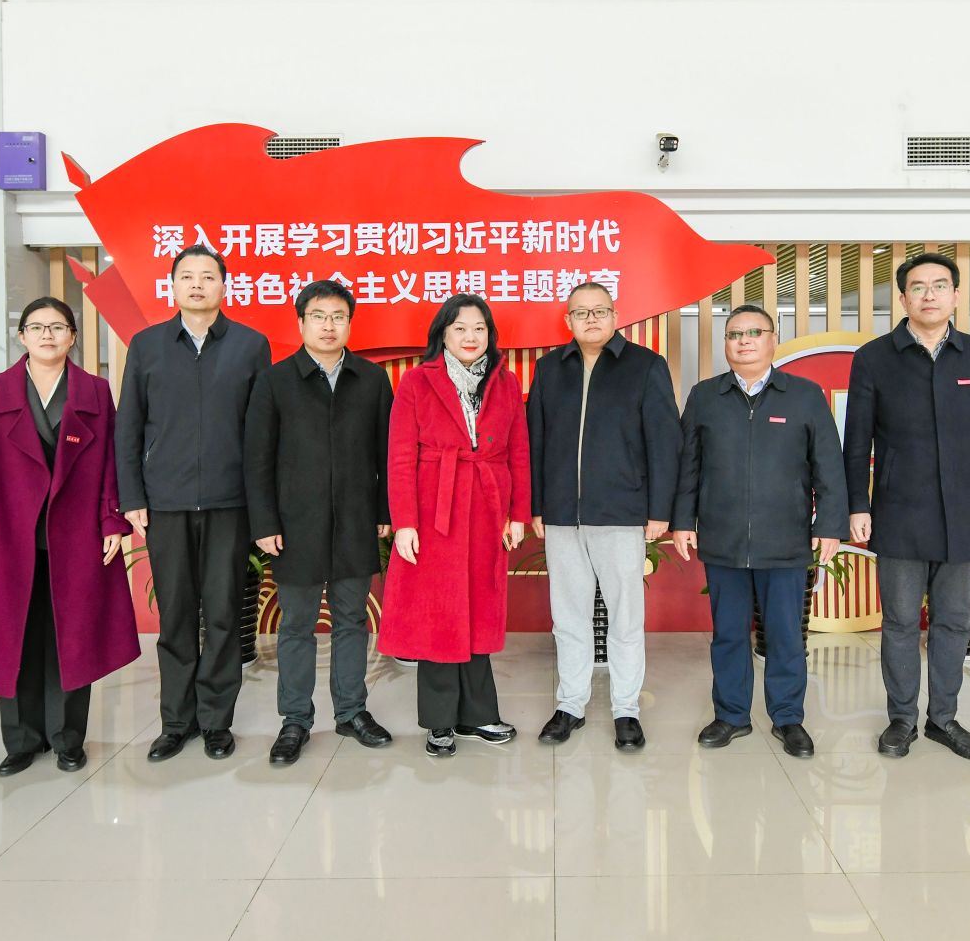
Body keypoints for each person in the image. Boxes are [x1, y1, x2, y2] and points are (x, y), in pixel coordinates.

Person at [0, 298, 141, 776]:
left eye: (58, 327)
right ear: (22, 337)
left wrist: (111, 520)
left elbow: (112, 463)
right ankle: (21, 741)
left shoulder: (95, 391)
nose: (47, 335)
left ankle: (68, 739)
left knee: (71, 638)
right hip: (9, 537)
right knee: (14, 638)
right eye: (37, 327)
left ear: (73, 336)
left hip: (75, 537)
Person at [843, 252, 970, 762]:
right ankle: (901, 719)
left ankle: (944, 718)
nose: (929, 295)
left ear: (956, 296)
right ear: (902, 298)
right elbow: (856, 440)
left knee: (954, 621)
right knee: (900, 621)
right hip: (900, 510)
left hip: (963, 512)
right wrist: (858, 504)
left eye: (940, 286)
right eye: (917, 287)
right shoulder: (875, 357)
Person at [116, 244, 271, 762]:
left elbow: (261, 433)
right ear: (173, 286)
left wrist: (261, 505)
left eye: (208, 276)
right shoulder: (147, 345)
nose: (198, 284)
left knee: (224, 615)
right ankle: (176, 722)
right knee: (177, 616)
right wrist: (132, 496)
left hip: (230, 504)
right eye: (187, 276)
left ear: (224, 286)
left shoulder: (250, 345)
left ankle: (216, 721)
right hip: (166, 502)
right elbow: (128, 425)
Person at [670, 303, 845, 759]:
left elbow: (828, 465)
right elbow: (688, 466)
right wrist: (683, 521)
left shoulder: (804, 395)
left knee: (785, 635)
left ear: (772, 340)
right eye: (734, 334)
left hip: (785, 539)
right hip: (722, 538)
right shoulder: (705, 396)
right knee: (728, 633)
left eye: (753, 332)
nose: (743, 341)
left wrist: (830, 523)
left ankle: (788, 718)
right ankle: (731, 715)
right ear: (726, 344)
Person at [244, 279, 397, 766]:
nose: (329, 326)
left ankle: (352, 712)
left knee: (352, 620)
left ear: (350, 323)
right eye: (318, 316)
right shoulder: (275, 380)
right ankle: (295, 720)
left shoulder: (371, 379)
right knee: (296, 625)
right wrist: (264, 522)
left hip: (355, 520)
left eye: (338, 317)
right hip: (295, 525)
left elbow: (387, 454)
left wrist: (384, 512)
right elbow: (257, 458)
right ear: (301, 323)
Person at [525, 282, 681, 751]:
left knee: (625, 616)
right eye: (581, 312)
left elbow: (664, 441)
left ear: (615, 316)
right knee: (568, 616)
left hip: (622, 511)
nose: (591, 319)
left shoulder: (645, 365)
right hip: (562, 515)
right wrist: (537, 505)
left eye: (600, 311)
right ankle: (570, 704)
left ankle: (626, 709)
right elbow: (535, 440)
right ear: (568, 321)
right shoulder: (550, 368)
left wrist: (659, 510)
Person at [377, 294, 532, 759]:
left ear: (490, 335)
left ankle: (478, 715)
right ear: (442, 334)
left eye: (479, 328)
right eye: (460, 328)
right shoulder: (416, 381)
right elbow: (399, 457)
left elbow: (519, 451)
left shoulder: (505, 382)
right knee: (438, 614)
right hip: (434, 510)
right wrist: (405, 522)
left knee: (480, 610)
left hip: (487, 508)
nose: (470, 336)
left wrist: (518, 513)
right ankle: (440, 720)